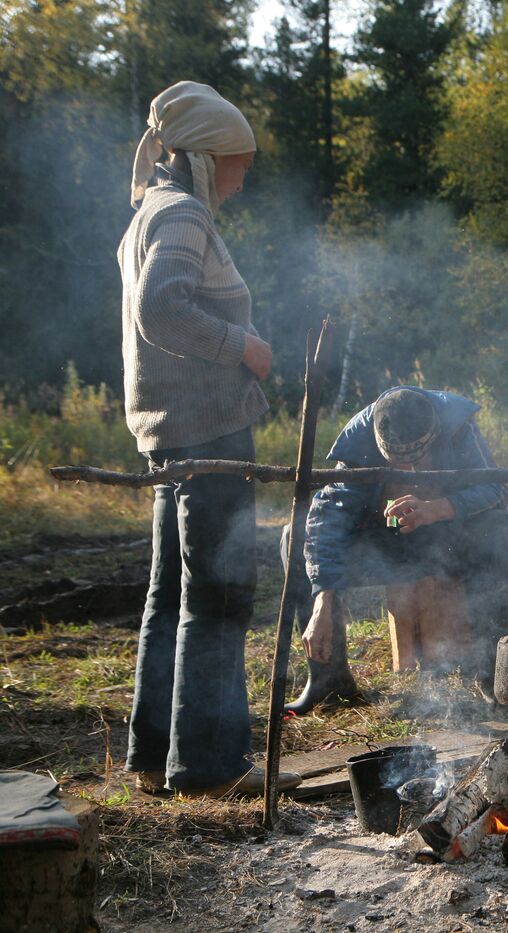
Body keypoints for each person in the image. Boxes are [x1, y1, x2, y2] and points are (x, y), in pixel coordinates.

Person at [121, 81, 300, 797]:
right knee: (219, 594)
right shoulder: (184, 214)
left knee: (172, 594)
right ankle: (210, 765)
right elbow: (161, 308)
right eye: (240, 161)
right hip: (209, 436)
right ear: (207, 156)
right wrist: (244, 347)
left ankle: (153, 754)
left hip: (175, 435)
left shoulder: (152, 211)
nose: (244, 176)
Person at [286, 386, 508, 714]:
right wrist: (323, 597)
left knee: (499, 530)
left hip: (447, 542)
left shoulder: (457, 427)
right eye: (398, 463)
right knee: (296, 538)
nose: (409, 473)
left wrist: (439, 508)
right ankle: (329, 683)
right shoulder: (359, 441)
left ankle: (491, 671)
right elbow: (328, 519)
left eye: (417, 460)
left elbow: (495, 488)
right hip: (385, 548)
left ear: (435, 436)